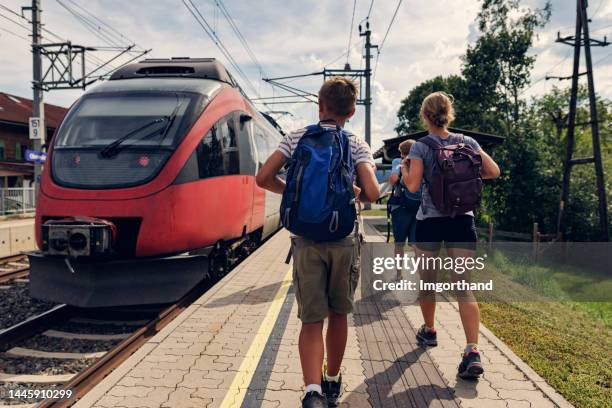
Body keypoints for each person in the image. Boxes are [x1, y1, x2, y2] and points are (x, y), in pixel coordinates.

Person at [256, 77, 379, 408]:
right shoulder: (355, 143)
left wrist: (293, 194)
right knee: (338, 314)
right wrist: (351, 194)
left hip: (305, 240)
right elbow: (372, 193)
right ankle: (332, 381)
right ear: (351, 112)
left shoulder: (296, 138)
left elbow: (263, 177)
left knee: (311, 320)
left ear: (320, 106)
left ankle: (312, 391)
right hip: (343, 240)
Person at [402, 91, 500, 379]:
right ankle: (472, 350)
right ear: (449, 114)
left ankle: (430, 331)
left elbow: (412, 187)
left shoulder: (421, 146)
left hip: (431, 222)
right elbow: (493, 171)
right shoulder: (467, 142)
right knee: (464, 287)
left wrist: (408, 169)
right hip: (462, 220)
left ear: (425, 116)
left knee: (428, 282)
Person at [388, 139, 421, 278]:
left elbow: (394, 180)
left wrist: (401, 167)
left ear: (402, 152)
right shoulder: (421, 163)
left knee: (399, 244)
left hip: (400, 208)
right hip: (418, 208)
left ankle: (399, 274)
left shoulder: (398, 162)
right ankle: (423, 278)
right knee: (417, 246)